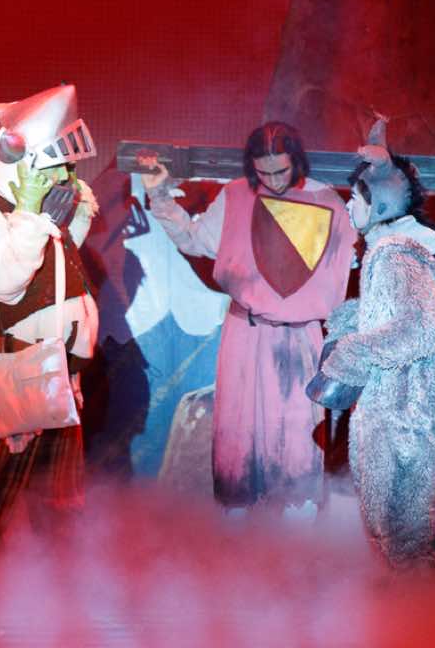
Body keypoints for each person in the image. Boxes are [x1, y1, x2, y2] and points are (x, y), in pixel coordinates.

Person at [141, 122, 358, 516]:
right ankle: (238, 533)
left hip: (300, 338)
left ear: (296, 160)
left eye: (281, 170)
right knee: (238, 437)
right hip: (246, 331)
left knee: (298, 440)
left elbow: (356, 254)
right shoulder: (236, 195)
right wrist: (159, 195)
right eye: (264, 172)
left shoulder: (327, 201)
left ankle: (295, 531)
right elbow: (194, 239)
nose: (273, 181)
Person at [0, 84, 101, 549]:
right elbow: (3, 282)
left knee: (55, 507)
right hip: (4, 381)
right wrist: (28, 213)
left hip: (48, 379)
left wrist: (62, 215)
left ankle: (44, 587)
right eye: (55, 166)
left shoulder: (32, 214)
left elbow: (54, 274)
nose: (65, 174)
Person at [310, 122, 435, 571]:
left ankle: (420, 609)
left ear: (380, 204)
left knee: (399, 536)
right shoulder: (396, 252)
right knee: (397, 536)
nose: (349, 207)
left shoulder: (394, 254)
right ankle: (413, 604)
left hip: (403, 418)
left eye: (355, 199)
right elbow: (403, 314)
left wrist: (350, 355)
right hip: (408, 414)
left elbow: (422, 327)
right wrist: (351, 319)